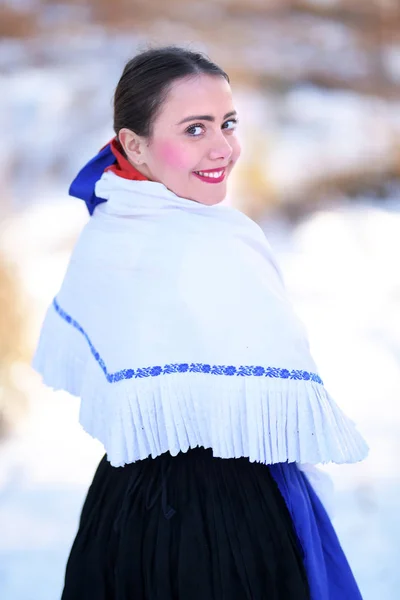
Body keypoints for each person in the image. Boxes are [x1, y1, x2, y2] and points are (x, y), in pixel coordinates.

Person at [33, 46, 368, 600]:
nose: (223, 148)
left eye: (227, 124)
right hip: (230, 521)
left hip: (123, 508)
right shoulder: (217, 241)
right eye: (194, 129)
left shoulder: (112, 220)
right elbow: (282, 413)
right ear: (133, 144)